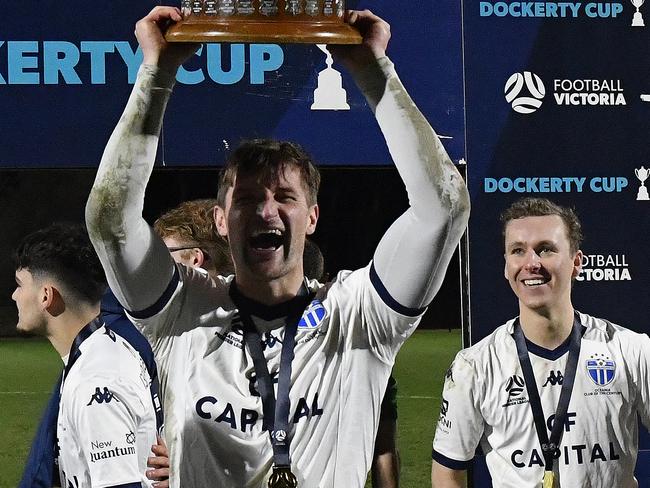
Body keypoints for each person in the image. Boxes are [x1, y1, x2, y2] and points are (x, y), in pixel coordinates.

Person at [85, 6, 470, 487]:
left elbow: (445, 208)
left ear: (311, 218)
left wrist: (374, 73)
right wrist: (157, 74)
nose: (267, 212)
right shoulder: (184, 311)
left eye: (285, 197)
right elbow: (110, 222)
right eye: (247, 199)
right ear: (221, 222)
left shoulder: (358, 315)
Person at [431, 197, 650, 488]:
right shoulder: (474, 367)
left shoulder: (631, 351)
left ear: (576, 262)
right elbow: (447, 472)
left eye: (545, 249)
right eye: (518, 251)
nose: (531, 263)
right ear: (507, 267)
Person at [12, 223, 158, 488]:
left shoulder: (97, 379)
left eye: (20, 285)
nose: (14, 295)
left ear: (46, 296)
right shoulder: (96, 352)